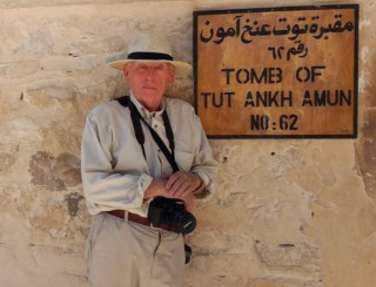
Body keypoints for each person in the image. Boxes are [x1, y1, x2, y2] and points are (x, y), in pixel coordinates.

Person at [81, 33, 217, 287]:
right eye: (142, 67)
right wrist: (158, 186)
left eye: (158, 69)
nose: (150, 76)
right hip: (119, 236)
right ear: (127, 74)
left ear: (171, 76)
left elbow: (207, 168)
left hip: (171, 238)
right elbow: (94, 187)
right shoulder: (103, 118)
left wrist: (195, 180)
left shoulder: (185, 115)